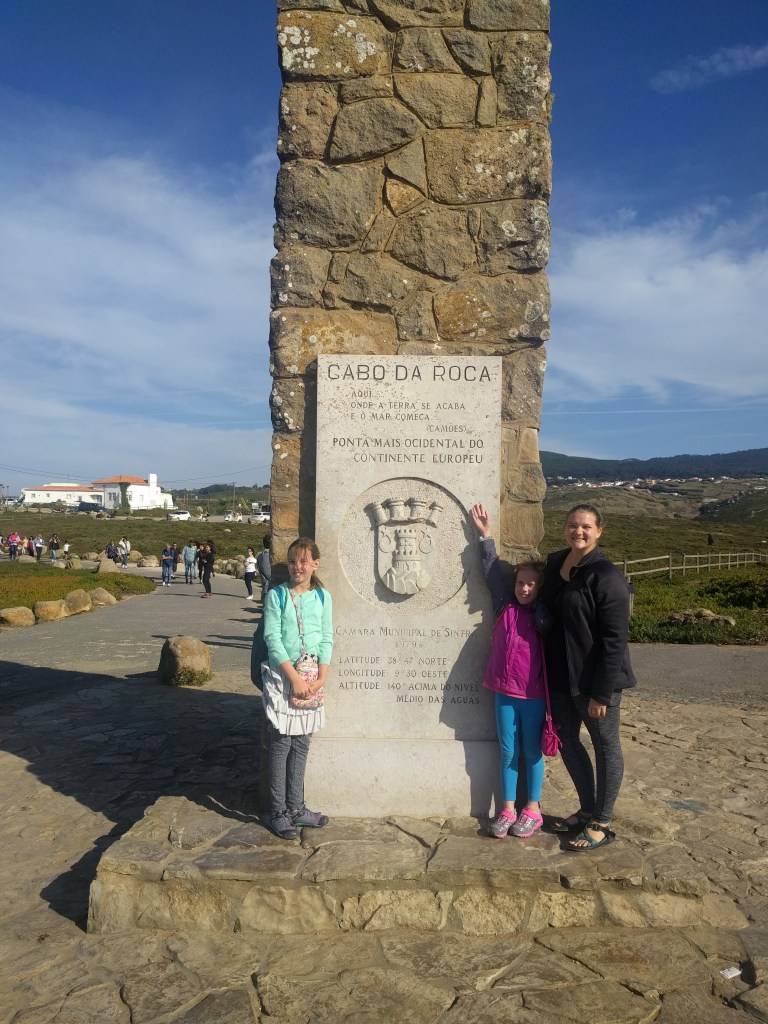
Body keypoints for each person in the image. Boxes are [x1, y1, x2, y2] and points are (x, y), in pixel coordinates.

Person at [539, 504, 636, 852]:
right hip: (561, 677)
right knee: (566, 740)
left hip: (595, 681)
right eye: (572, 526)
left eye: (585, 527)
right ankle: (587, 809)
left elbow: (615, 641)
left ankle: (602, 822)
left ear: (598, 532)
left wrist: (602, 693)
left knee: (606, 745)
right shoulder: (555, 563)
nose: (578, 532)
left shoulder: (606, 576)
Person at [471, 504, 548, 839]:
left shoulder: (545, 616)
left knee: (531, 750)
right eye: (521, 582)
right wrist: (485, 536)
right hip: (504, 692)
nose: (525, 589)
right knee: (507, 751)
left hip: (533, 696)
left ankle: (532, 809)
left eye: (532, 584)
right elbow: (491, 574)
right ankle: (506, 809)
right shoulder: (505, 607)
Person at [259, 537, 332, 840]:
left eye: (303, 561)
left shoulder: (323, 597)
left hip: (311, 676)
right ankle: (277, 811)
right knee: (281, 743)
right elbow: (272, 639)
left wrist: (321, 678)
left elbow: (327, 637)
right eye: (292, 561)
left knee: (302, 743)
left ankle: (296, 807)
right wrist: (294, 678)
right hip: (283, 676)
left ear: (315, 564)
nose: (297, 567)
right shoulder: (276, 596)